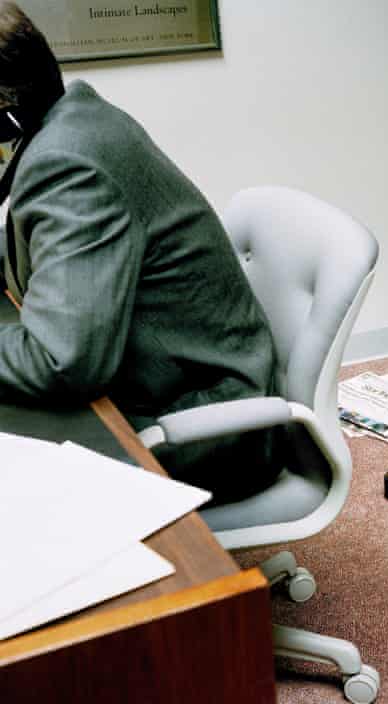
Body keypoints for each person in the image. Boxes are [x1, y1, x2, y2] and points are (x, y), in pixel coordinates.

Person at [0, 3, 283, 501]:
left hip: (207, 422)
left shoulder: (67, 166)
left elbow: (59, 361)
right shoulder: (70, 119)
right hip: (157, 381)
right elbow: (35, 246)